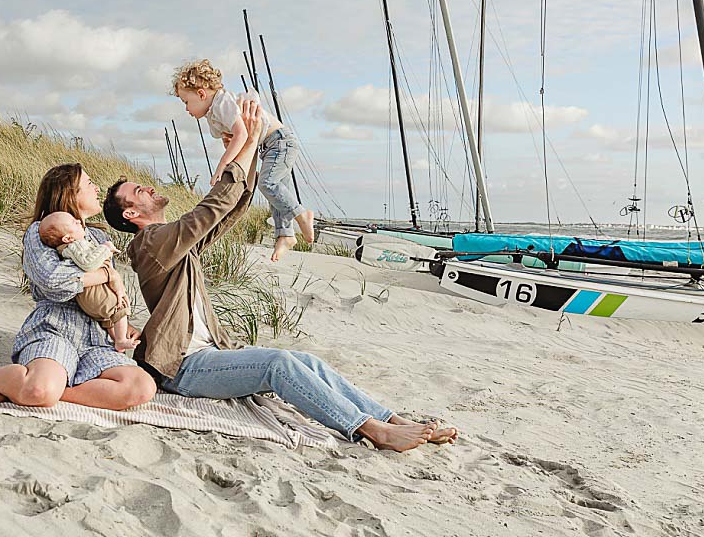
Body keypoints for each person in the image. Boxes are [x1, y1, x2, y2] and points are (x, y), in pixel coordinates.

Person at [104, 100, 457, 452]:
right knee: (279, 363)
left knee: (308, 361)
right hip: (183, 368)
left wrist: (251, 146)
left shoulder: (171, 244)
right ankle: (371, 431)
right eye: (138, 192)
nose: (148, 188)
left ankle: (392, 420)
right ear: (132, 212)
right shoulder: (150, 244)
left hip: (209, 353)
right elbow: (210, 210)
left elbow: (227, 213)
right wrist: (248, 139)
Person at [0, 164, 156, 410]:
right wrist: (106, 273)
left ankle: (33, 389)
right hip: (55, 328)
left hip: (97, 337)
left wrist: (120, 323)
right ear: (69, 195)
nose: (96, 188)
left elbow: (102, 295)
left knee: (141, 388)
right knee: (38, 390)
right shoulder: (40, 231)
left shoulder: (97, 238)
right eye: (89, 184)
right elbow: (53, 281)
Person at [172, 58, 315, 262]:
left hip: (280, 141)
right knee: (276, 194)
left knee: (268, 184)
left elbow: (241, 135)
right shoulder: (214, 114)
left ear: (201, 94)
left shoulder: (222, 103)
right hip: (267, 146)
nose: (186, 108)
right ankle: (285, 234)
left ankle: (301, 215)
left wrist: (222, 165)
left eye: (186, 102)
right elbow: (234, 138)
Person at [38, 210, 137, 352]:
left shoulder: (70, 247)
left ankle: (117, 341)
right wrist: (105, 248)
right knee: (119, 307)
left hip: (88, 297)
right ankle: (121, 340)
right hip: (94, 293)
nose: (78, 222)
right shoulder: (76, 246)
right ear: (68, 238)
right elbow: (89, 263)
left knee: (107, 319)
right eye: (73, 222)